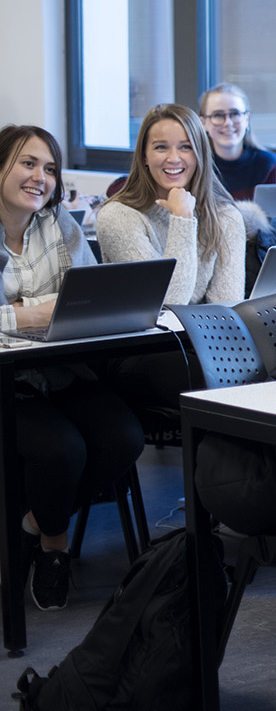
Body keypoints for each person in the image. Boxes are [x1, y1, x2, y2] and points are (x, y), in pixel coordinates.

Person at [0, 125, 144, 611]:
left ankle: (34, 526)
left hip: (59, 367)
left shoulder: (59, 224)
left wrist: (25, 308)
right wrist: (31, 312)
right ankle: (56, 548)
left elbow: (85, 297)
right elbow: (55, 305)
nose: (40, 177)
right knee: (61, 450)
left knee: (124, 438)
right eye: (27, 163)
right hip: (8, 383)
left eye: (50, 168)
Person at [95, 103, 246, 306]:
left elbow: (228, 309)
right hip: (148, 337)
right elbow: (168, 303)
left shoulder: (226, 217)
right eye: (161, 147)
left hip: (209, 336)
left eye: (186, 147)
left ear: (200, 154)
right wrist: (183, 218)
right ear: (144, 156)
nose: (173, 158)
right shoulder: (117, 217)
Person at [198, 82, 276, 201]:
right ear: (203, 123)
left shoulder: (269, 164)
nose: (228, 123)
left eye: (235, 114)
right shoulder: (196, 165)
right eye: (218, 115)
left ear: (246, 119)